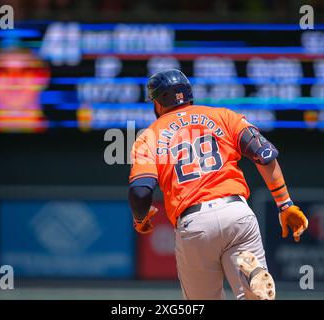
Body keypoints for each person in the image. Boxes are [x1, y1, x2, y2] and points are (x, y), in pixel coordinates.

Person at [128, 69, 308, 300]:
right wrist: (285, 205)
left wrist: (140, 218)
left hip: (195, 223)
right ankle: (252, 279)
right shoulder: (223, 116)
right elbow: (264, 154)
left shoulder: (149, 136)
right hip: (237, 213)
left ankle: (251, 280)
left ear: (158, 102)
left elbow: (140, 192)